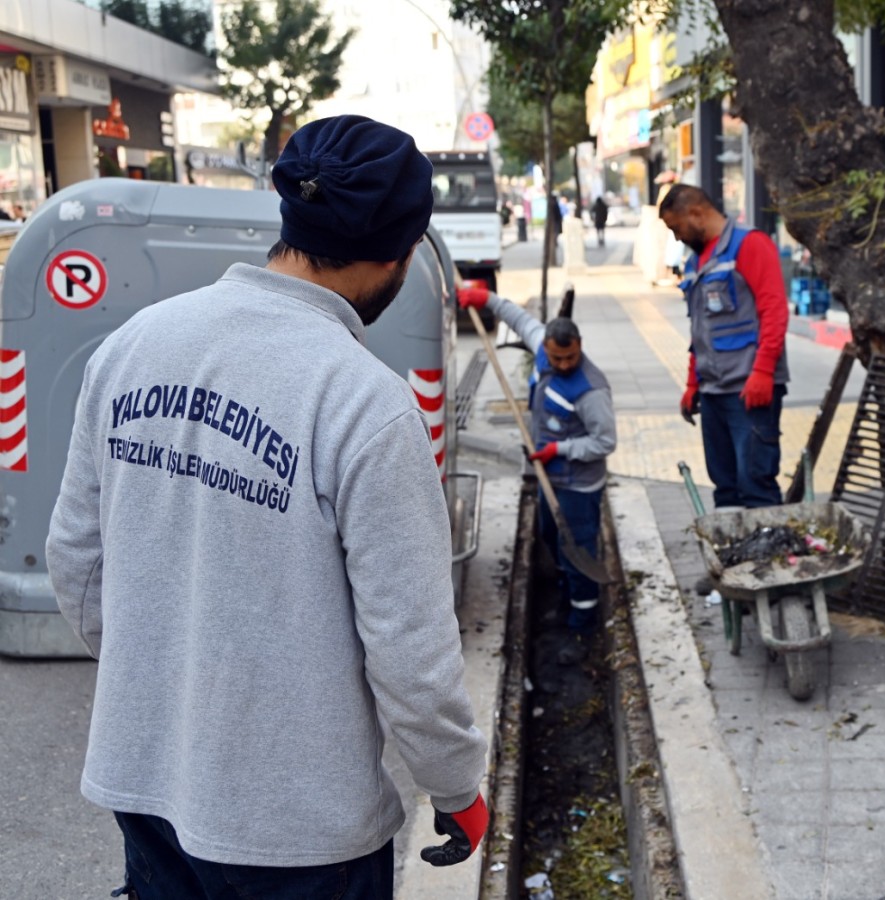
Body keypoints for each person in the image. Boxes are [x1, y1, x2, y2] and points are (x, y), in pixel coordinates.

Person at [46, 115, 489, 900]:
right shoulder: (364, 403)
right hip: (300, 831)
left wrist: (163, 682)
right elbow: (411, 653)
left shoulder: (133, 347)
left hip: (141, 782)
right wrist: (455, 788)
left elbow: (76, 564)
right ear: (399, 250)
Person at [457, 281, 616, 637]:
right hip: (549, 476)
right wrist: (487, 300)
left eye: (570, 358)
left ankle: (581, 627)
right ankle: (562, 597)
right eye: (556, 357)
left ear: (580, 349)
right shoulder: (541, 346)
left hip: (578, 485)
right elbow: (517, 317)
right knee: (550, 535)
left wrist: (558, 450)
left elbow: (605, 442)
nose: (562, 364)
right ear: (544, 347)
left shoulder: (591, 390)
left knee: (578, 548)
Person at [659, 184, 790, 518]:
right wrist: (692, 382)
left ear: (696, 213)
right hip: (714, 390)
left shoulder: (750, 245)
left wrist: (763, 372)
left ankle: (765, 564)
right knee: (726, 486)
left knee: (755, 484)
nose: (677, 238)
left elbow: (774, 312)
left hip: (750, 391)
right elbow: (700, 329)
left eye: (677, 228)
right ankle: (735, 561)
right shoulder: (695, 263)